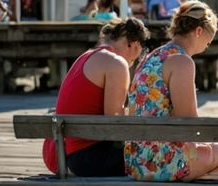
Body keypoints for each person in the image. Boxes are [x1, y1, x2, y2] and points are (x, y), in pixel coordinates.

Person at [124, 1, 218, 186]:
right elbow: (189, 122)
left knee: (188, 148)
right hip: (161, 161)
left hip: (137, 157)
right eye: (209, 39)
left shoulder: (153, 56)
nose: (208, 45)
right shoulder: (182, 62)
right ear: (198, 31)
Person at [42, 18, 149, 176]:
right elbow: (114, 123)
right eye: (136, 56)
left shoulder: (87, 55)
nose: (134, 61)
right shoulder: (116, 63)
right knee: (157, 161)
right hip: (85, 158)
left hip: (63, 154)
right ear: (134, 44)